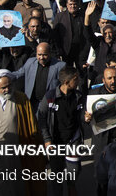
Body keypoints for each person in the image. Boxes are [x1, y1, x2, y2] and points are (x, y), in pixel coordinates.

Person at [0, 69, 46, 196]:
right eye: (3, 87)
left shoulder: (21, 98)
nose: (7, 89)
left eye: (9, 85)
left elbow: (31, 125)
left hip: (18, 150)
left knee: (19, 183)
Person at [37, 66, 83, 196]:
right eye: (76, 79)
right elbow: (42, 118)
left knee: (74, 170)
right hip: (55, 142)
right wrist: (47, 140)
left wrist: (87, 118)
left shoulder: (79, 96)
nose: (79, 81)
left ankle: (71, 186)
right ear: (67, 82)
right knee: (57, 173)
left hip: (73, 141)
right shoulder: (50, 97)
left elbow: (85, 115)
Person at [10, 42, 67, 109]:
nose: (41, 57)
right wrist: (4, 76)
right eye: (39, 55)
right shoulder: (30, 62)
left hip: (49, 103)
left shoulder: (60, 66)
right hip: (32, 103)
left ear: (50, 53)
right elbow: (18, 74)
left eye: (44, 55)